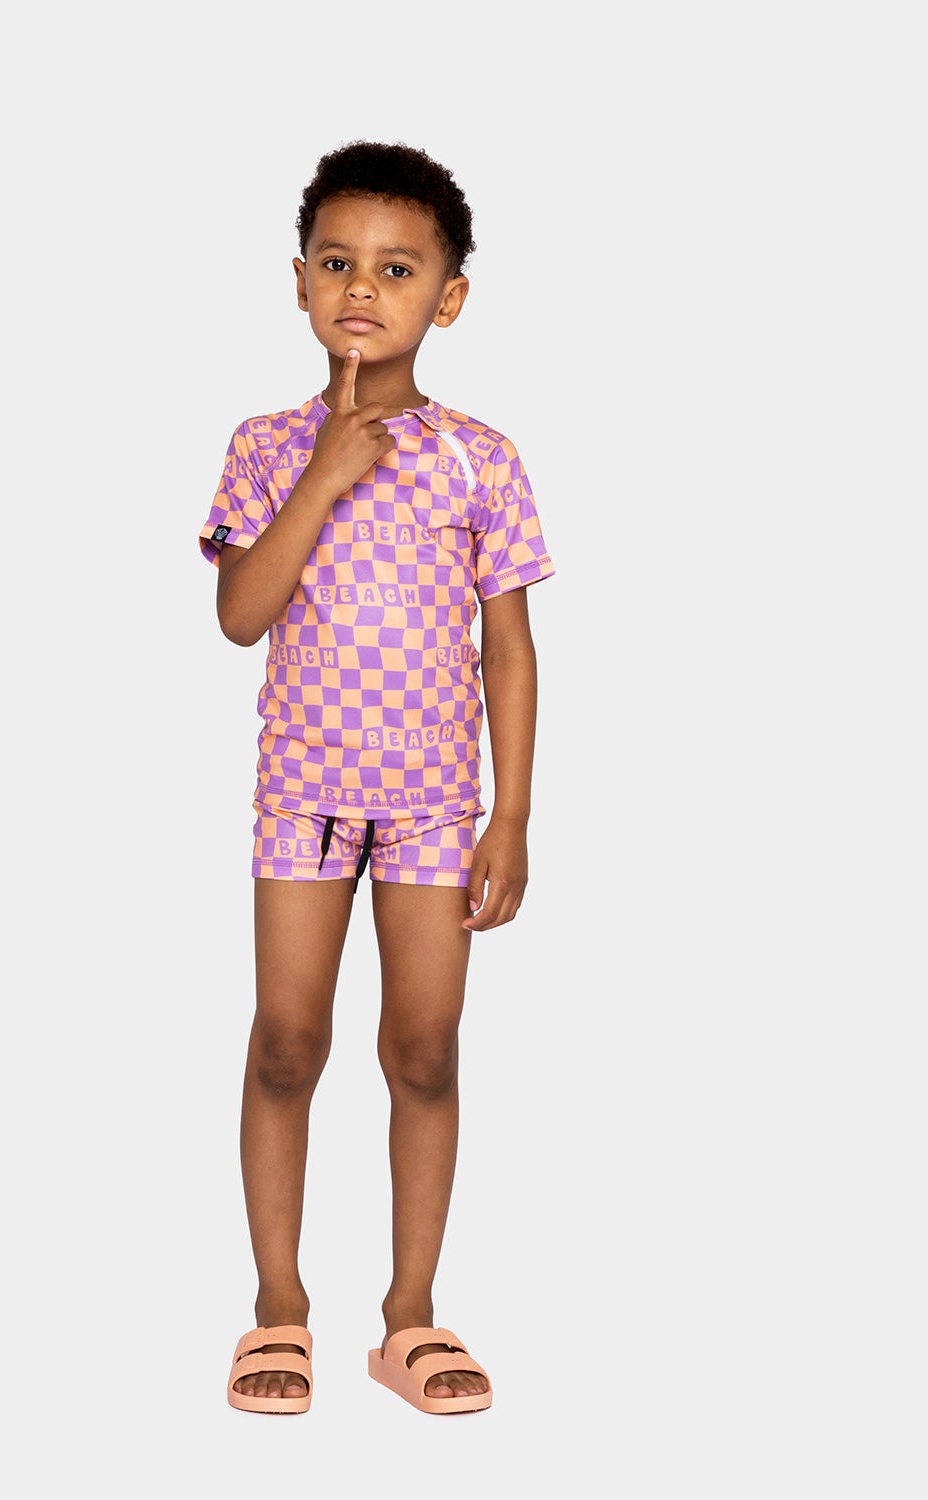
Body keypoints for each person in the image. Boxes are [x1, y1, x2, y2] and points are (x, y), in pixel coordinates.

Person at [199, 141, 555, 1415]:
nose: (364, 287)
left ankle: (409, 1317)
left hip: (434, 807)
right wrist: (325, 472)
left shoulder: (480, 459)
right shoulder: (264, 446)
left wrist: (511, 814)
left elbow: (508, 649)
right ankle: (277, 1309)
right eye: (338, 262)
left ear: (447, 298)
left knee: (425, 1051)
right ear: (300, 282)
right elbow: (242, 614)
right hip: (304, 794)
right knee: (287, 1044)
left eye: (398, 269)